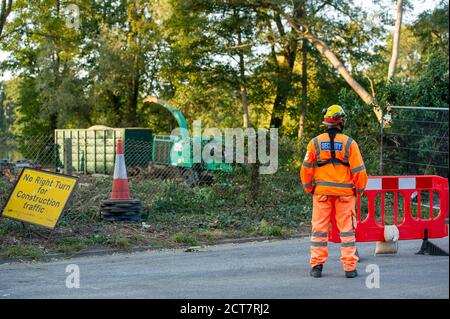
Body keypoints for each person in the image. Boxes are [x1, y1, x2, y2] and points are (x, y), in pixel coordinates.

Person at [300, 104, 368, 278]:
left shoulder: (314, 143)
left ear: (326, 122)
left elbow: (305, 169)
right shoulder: (350, 143)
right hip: (345, 195)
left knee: (319, 230)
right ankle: (350, 268)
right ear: (341, 122)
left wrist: (309, 188)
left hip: (321, 194)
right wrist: (359, 191)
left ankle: (316, 267)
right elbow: (359, 171)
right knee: (347, 231)